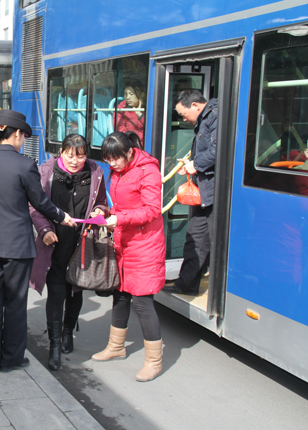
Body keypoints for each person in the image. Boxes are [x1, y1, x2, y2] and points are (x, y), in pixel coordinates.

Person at [0, 110, 76, 376]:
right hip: (17, 248)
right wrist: (62, 216)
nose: (23, 141)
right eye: (23, 136)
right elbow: (40, 202)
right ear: (15, 133)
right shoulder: (25, 165)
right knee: (14, 303)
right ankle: (12, 358)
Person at [29, 134, 108, 371]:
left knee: (75, 291)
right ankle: (54, 345)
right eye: (70, 155)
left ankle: (67, 332)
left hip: (81, 242)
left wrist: (99, 212)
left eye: (80, 156)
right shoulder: (46, 171)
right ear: (61, 152)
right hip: (54, 241)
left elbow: (102, 202)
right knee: (56, 292)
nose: (75, 161)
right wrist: (44, 230)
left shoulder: (95, 172)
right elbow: (35, 205)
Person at [92, 132, 165, 382]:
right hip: (124, 241)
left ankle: (154, 361)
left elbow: (152, 209)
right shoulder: (120, 171)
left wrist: (119, 218)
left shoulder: (148, 171)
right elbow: (121, 205)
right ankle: (116, 347)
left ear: (130, 153)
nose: (111, 164)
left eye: (115, 159)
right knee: (120, 295)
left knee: (143, 302)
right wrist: (105, 211)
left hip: (145, 244)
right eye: (108, 159)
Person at [163, 90, 217, 295]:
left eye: (183, 113)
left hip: (214, 191)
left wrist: (197, 164)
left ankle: (188, 283)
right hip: (205, 191)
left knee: (207, 238)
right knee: (196, 237)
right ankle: (186, 284)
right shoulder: (206, 118)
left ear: (195, 105)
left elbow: (218, 149)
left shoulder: (216, 116)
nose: (183, 119)